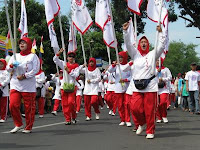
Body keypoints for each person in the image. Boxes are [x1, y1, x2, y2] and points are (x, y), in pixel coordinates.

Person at [123, 22, 166, 139]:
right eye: (141, 42)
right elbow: (128, 45)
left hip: (150, 86)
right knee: (135, 108)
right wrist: (126, 32)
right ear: (139, 44)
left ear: (148, 44)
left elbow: (162, 46)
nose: (143, 43)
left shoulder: (153, 54)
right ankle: (141, 123)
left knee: (149, 110)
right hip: (137, 86)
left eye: (145, 42)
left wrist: (161, 33)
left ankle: (150, 130)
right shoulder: (135, 54)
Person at [7, 37, 40, 133]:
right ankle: (18, 124)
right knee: (13, 105)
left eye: (24, 43)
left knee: (28, 107)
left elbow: (36, 70)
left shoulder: (33, 56)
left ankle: (28, 126)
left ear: (29, 44)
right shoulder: (14, 56)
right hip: (15, 84)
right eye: (20, 43)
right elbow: (8, 69)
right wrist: (11, 66)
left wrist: (25, 76)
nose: (22, 44)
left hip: (28, 86)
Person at [53, 49, 79, 125]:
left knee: (71, 103)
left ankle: (73, 116)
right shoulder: (63, 63)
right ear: (67, 57)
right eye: (69, 56)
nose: (71, 58)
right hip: (64, 87)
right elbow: (55, 60)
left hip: (71, 87)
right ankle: (68, 119)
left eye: (72, 56)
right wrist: (59, 53)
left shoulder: (76, 66)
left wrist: (69, 70)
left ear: (74, 58)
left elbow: (76, 75)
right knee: (65, 104)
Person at [108, 51, 131, 126]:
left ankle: (128, 120)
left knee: (127, 104)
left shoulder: (128, 66)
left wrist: (126, 80)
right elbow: (110, 70)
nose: (120, 59)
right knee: (120, 105)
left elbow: (132, 76)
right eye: (119, 57)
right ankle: (122, 119)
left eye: (121, 57)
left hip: (127, 87)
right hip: (118, 88)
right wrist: (113, 65)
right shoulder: (117, 66)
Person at [156, 58, 172, 123]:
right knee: (157, 104)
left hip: (163, 89)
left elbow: (170, 77)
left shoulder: (166, 69)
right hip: (155, 88)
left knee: (163, 103)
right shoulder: (152, 69)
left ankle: (164, 116)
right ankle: (159, 117)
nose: (157, 62)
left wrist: (163, 79)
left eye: (158, 61)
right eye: (156, 60)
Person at [0, 59, 10, 123]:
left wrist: (2, 84)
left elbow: (7, 80)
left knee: (3, 105)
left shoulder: (7, 72)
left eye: (1, 64)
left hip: (4, 90)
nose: (0, 65)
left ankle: (3, 117)